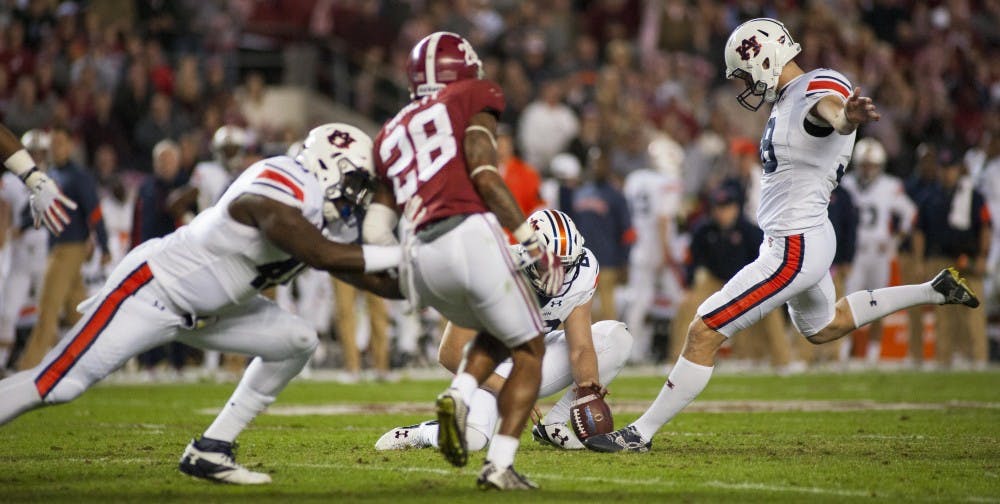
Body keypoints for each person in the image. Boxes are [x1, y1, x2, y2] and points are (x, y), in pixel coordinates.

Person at [584, 18, 980, 453]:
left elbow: (829, 110)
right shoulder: (791, 96)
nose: (746, 84)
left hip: (795, 244)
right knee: (825, 326)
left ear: (765, 58)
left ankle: (640, 433)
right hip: (804, 236)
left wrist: (846, 116)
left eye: (746, 71)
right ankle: (933, 290)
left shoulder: (815, 88)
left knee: (704, 329)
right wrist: (842, 116)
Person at [0, 123, 404, 485]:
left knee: (297, 339)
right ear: (328, 165)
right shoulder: (280, 178)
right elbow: (322, 254)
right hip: (155, 291)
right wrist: (403, 255)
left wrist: (425, 279)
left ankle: (211, 448)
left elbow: (361, 274)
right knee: (58, 383)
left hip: (218, 313)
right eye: (356, 183)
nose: (359, 198)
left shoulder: (318, 214)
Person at [363, 32, 563, 490]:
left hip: (417, 254)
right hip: (466, 234)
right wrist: (531, 240)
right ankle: (499, 466)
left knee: (495, 329)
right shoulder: (473, 96)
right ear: (462, 72)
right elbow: (485, 174)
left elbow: (375, 228)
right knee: (529, 349)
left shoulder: (390, 131)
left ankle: (460, 393)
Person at [374, 209, 632, 452]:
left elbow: (581, 347)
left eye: (565, 266)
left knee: (616, 337)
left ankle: (553, 424)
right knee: (472, 439)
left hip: (534, 357)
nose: (559, 275)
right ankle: (421, 433)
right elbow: (449, 354)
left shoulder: (583, 270)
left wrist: (588, 390)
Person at [17, 127, 110, 370]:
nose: (56, 148)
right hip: (57, 246)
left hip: (70, 248)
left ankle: (26, 368)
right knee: (76, 312)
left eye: (61, 143)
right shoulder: (50, 174)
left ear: (70, 147)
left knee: (47, 309)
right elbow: (44, 209)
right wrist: (24, 223)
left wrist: (104, 244)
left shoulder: (78, 176)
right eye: (53, 144)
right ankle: (105, 358)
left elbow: (94, 211)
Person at [839, 137, 916, 363]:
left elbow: (910, 213)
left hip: (878, 252)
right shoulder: (847, 184)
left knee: (877, 303)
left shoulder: (890, 186)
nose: (867, 169)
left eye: (871, 165)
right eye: (864, 164)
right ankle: (845, 349)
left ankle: (873, 351)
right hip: (854, 252)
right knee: (848, 301)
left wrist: (894, 241)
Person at [912, 153, 992, 369]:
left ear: (959, 169)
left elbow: (985, 227)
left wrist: (984, 256)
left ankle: (978, 359)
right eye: (944, 167)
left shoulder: (974, 196)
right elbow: (919, 231)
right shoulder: (930, 196)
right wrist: (919, 261)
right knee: (944, 313)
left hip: (968, 260)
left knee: (973, 310)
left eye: (952, 167)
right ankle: (944, 359)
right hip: (940, 260)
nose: (948, 172)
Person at [0, 130, 52, 370]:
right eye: (33, 152)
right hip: (20, 254)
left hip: (46, 253)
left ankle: (49, 363)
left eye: (41, 152)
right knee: (8, 313)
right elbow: (4, 210)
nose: (37, 156)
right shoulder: (11, 181)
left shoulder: (54, 177)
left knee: (49, 314)